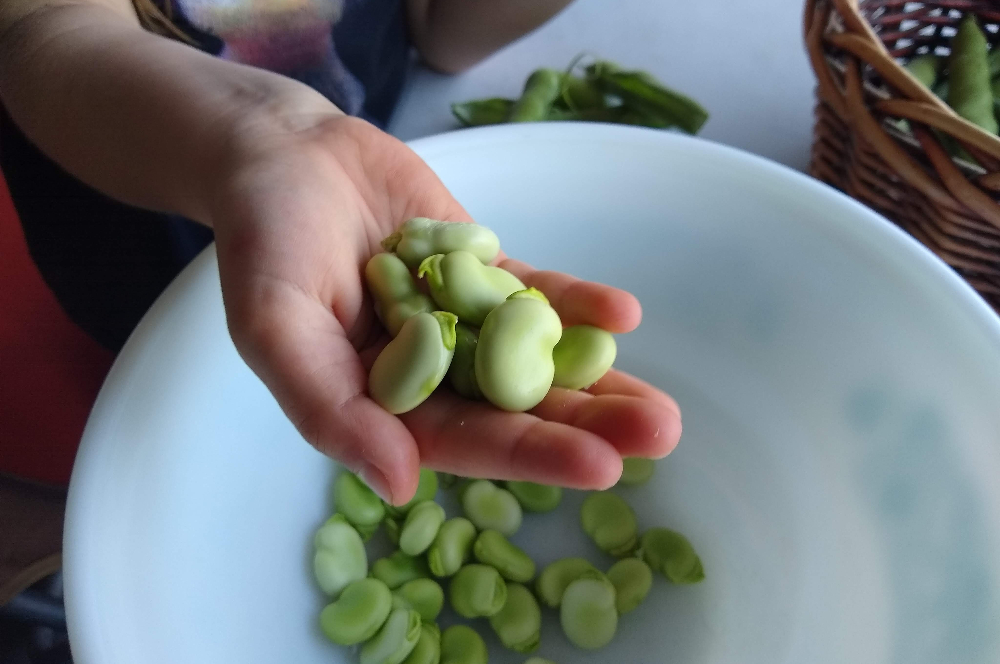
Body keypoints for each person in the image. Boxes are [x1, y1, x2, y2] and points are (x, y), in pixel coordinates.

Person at [0, 0, 683, 508]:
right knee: (147, 393)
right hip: (132, 205)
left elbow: (442, 33)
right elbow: (39, 30)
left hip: (344, 178)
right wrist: (256, 138)